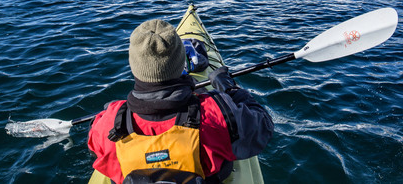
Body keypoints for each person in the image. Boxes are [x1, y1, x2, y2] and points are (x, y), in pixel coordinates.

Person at [87, 20, 273, 183]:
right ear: (180, 64)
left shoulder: (107, 122)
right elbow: (263, 126)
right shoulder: (216, 113)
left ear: (134, 66)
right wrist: (229, 89)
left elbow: (96, 149)